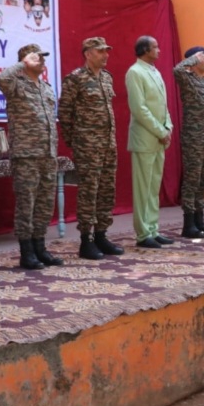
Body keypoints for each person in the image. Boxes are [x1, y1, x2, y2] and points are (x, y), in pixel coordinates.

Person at [0, 44, 63, 270]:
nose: (42, 61)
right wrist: (23, 64)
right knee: (27, 203)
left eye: (43, 57)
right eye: (36, 57)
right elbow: (1, 79)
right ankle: (26, 252)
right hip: (26, 155)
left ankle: (40, 248)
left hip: (48, 153)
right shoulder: (15, 84)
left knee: (45, 203)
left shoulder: (46, 87)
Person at [58, 36, 123, 260]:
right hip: (87, 145)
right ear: (88, 54)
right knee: (89, 191)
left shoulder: (107, 77)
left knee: (106, 190)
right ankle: (86, 240)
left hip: (108, 144)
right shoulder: (75, 79)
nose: (106, 55)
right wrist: (75, 142)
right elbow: (65, 113)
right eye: (100, 51)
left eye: (106, 50)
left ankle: (102, 235)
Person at [126, 35, 175, 248]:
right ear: (145, 50)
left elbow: (162, 105)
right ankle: (143, 233)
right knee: (143, 189)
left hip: (158, 137)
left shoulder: (155, 71)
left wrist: (168, 127)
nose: (159, 50)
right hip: (145, 138)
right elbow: (139, 108)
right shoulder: (135, 72)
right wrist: (160, 130)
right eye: (155, 47)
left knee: (154, 186)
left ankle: (153, 229)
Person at [174, 46, 204, 239]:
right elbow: (177, 70)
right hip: (193, 139)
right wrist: (192, 58)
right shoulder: (188, 80)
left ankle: (200, 221)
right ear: (194, 61)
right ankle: (188, 224)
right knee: (192, 181)